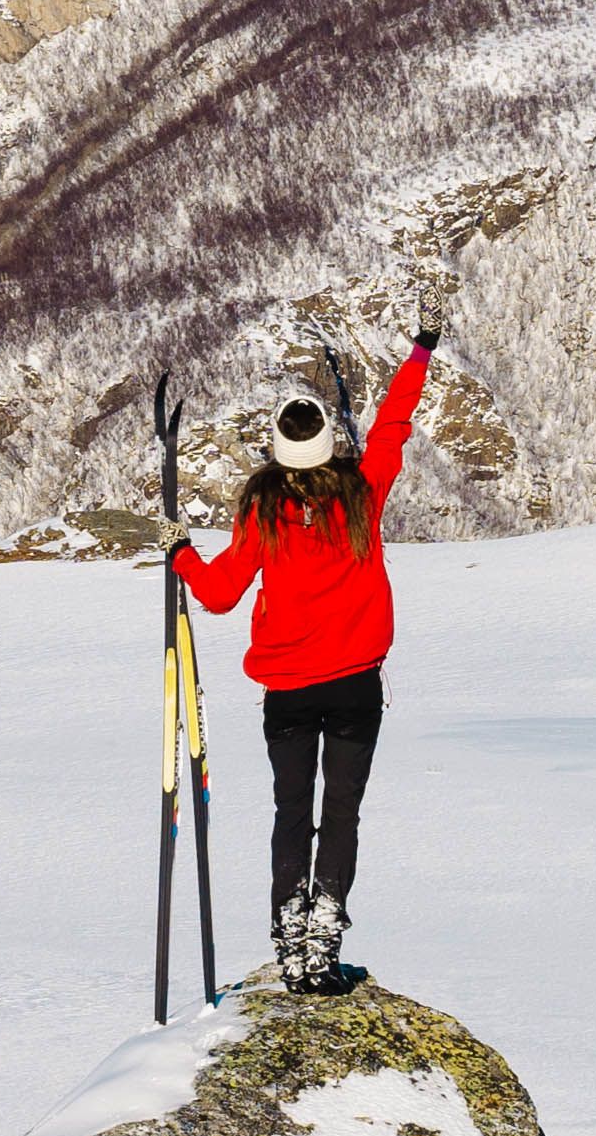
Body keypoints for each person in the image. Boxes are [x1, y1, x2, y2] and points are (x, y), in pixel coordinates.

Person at [171, 327, 435, 995]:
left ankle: (290, 932)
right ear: (325, 443)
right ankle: (324, 928)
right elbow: (391, 427)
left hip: (287, 689)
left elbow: (222, 593)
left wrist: (180, 555)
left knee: (292, 810)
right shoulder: (362, 495)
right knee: (341, 809)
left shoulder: (261, 509)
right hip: (354, 686)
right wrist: (421, 349)